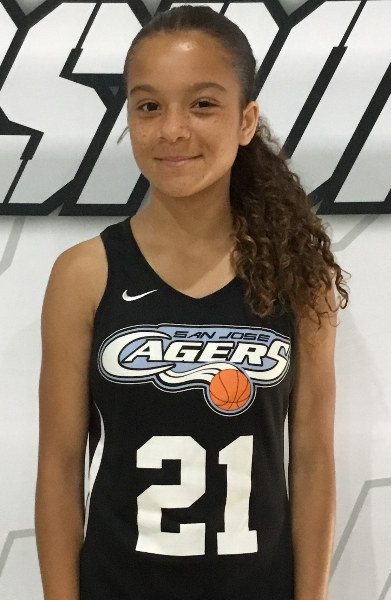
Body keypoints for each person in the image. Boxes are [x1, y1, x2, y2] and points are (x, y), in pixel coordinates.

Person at [35, 5, 350, 600]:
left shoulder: (299, 277)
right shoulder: (84, 274)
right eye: (149, 106)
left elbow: (312, 459)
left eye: (203, 104)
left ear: (246, 120)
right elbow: (59, 464)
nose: (173, 129)